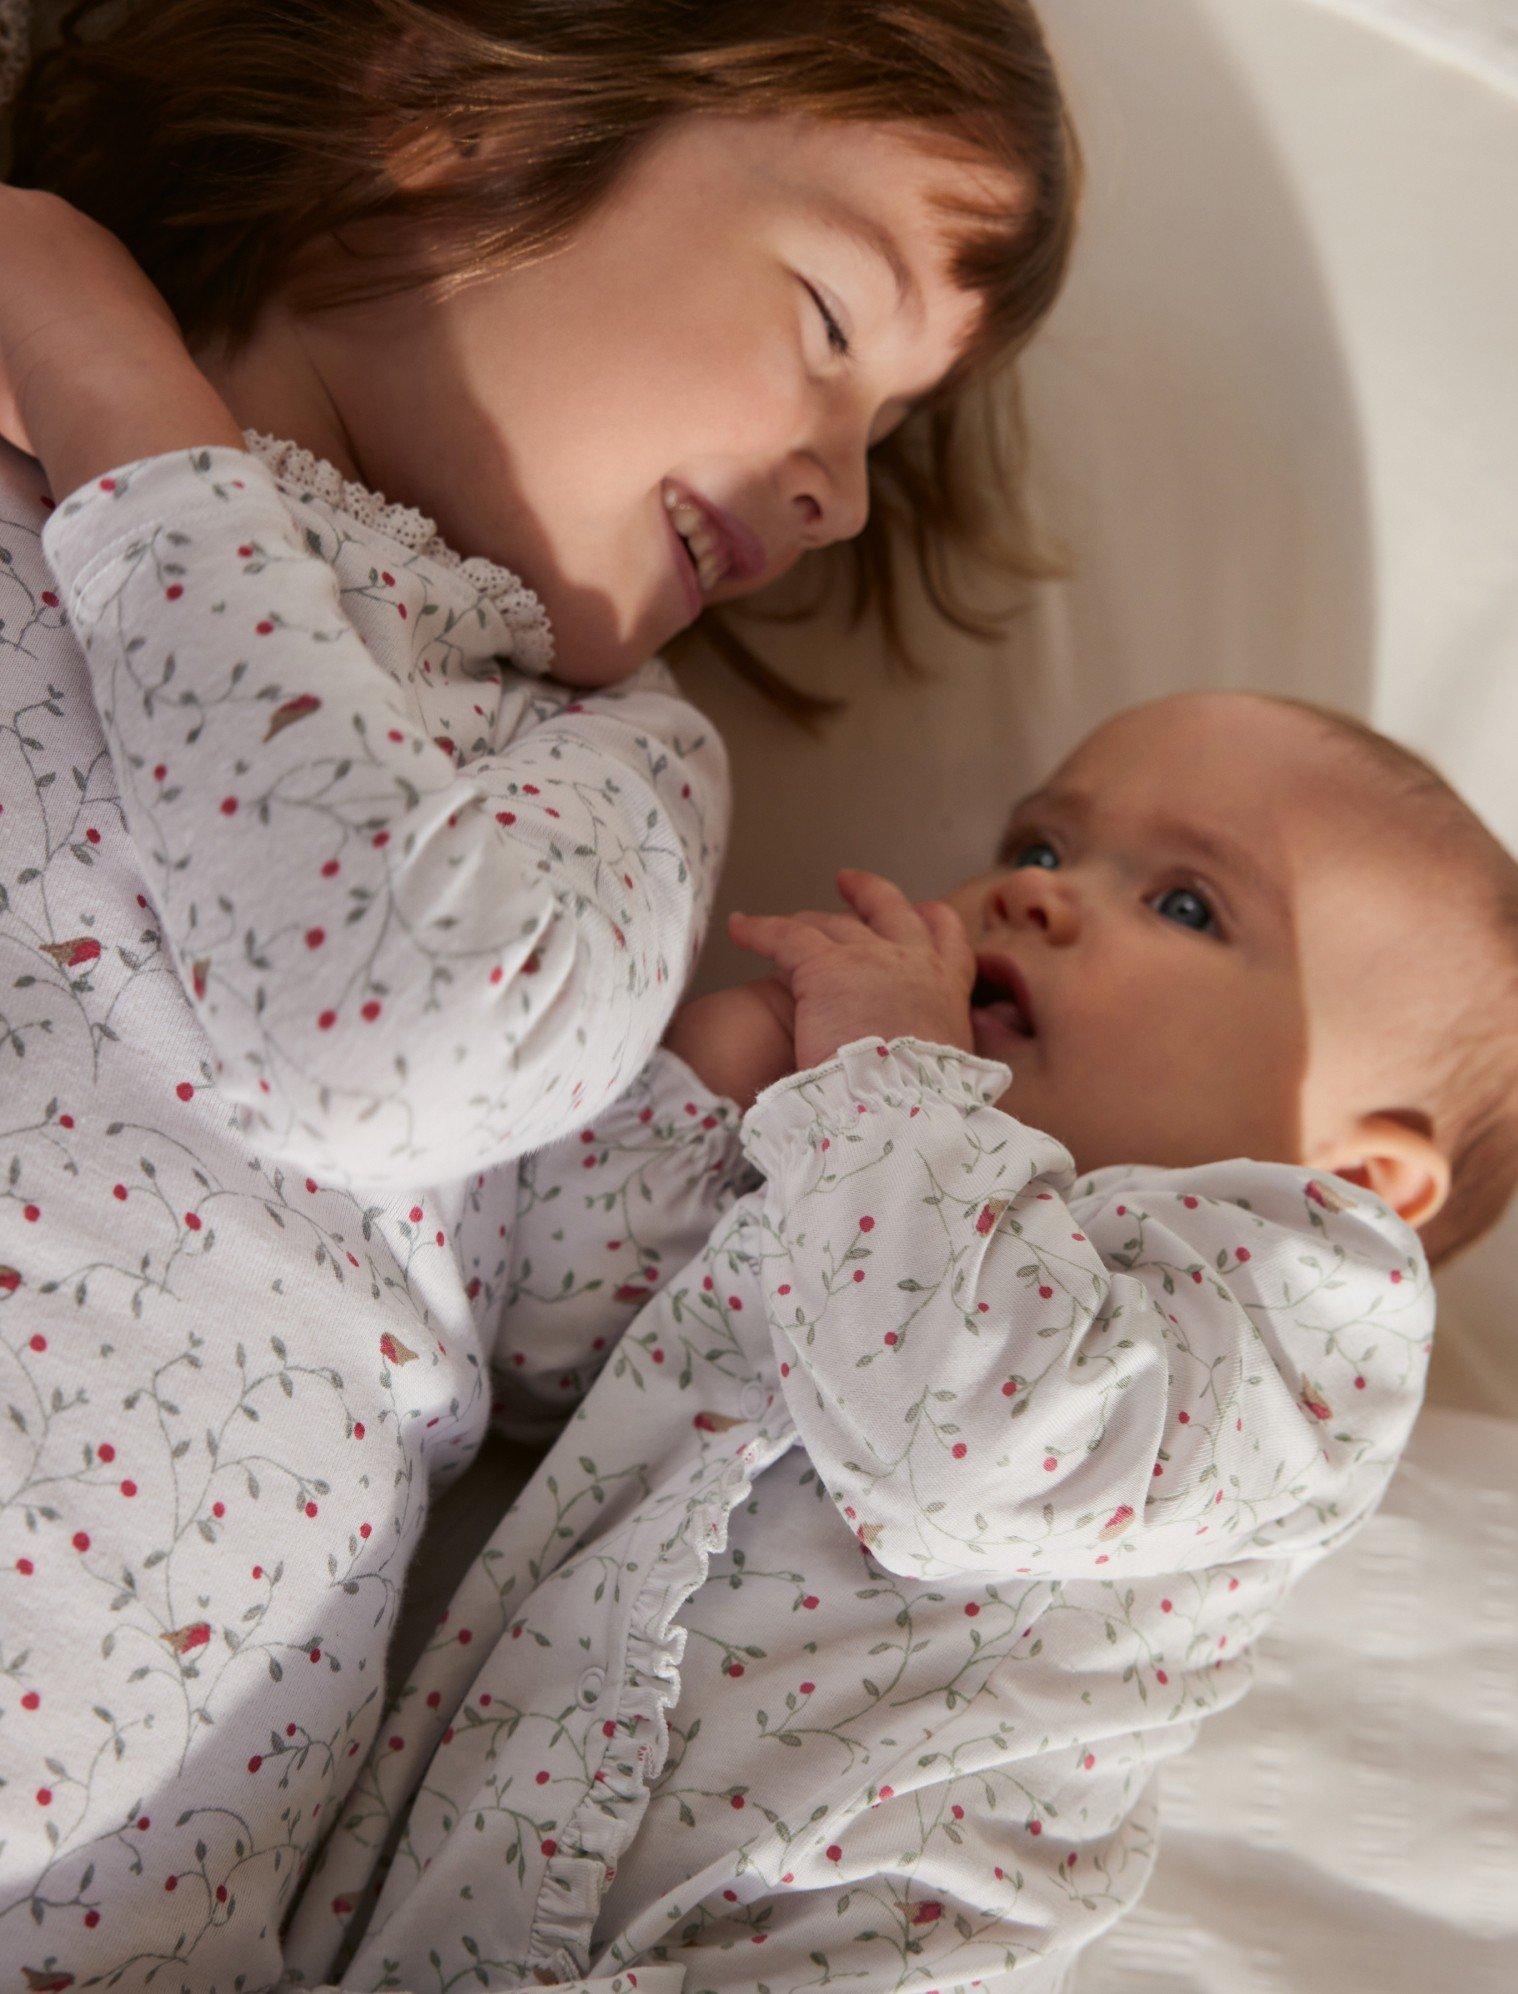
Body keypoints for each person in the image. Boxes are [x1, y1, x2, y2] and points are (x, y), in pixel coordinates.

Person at [0, 4, 1079, 1987]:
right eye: (836, 329)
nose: (837, 491)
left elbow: (391, 1043)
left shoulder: (587, 764)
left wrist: (115, 401)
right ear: (449, 99)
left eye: (886, 442)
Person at [287, 692, 1517, 1991]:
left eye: (1187, 905)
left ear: (1365, 1165)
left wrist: (890, 1073)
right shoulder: (858, 1166)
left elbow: (970, 1442)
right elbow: (539, 1336)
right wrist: (728, 1069)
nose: (1032, 896)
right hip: (427, 1892)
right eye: (1041, 845)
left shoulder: (1305, 1290)